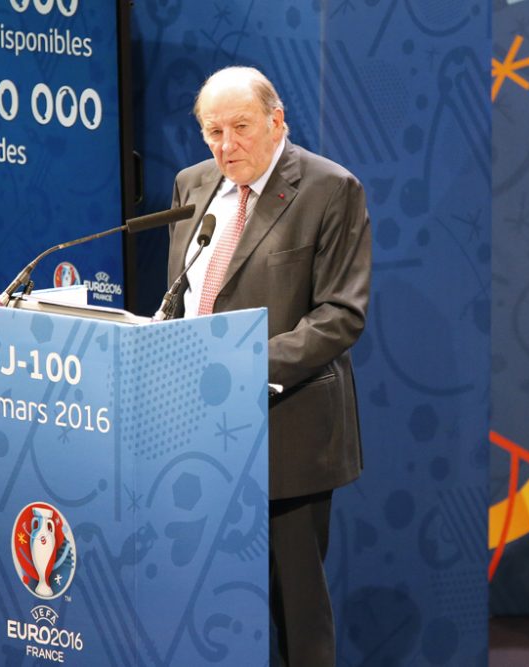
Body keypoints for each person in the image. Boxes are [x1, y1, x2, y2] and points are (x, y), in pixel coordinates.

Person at [166, 66, 371, 666]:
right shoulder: (191, 184)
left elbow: (340, 315)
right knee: (205, 604)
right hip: (196, 435)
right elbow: (182, 295)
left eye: (240, 127)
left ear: (277, 120)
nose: (226, 146)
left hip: (287, 429)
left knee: (296, 610)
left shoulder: (330, 189)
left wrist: (236, 364)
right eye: (212, 132)